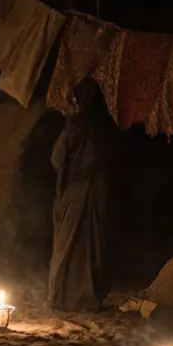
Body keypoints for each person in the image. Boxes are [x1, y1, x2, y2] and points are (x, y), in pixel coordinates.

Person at [48, 77, 119, 312]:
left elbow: (58, 158)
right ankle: (87, 296)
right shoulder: (106, 127)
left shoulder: (76, 128)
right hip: (95, 192)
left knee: (72, 243)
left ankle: (67, 296)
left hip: (79, 192)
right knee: (90, 243)